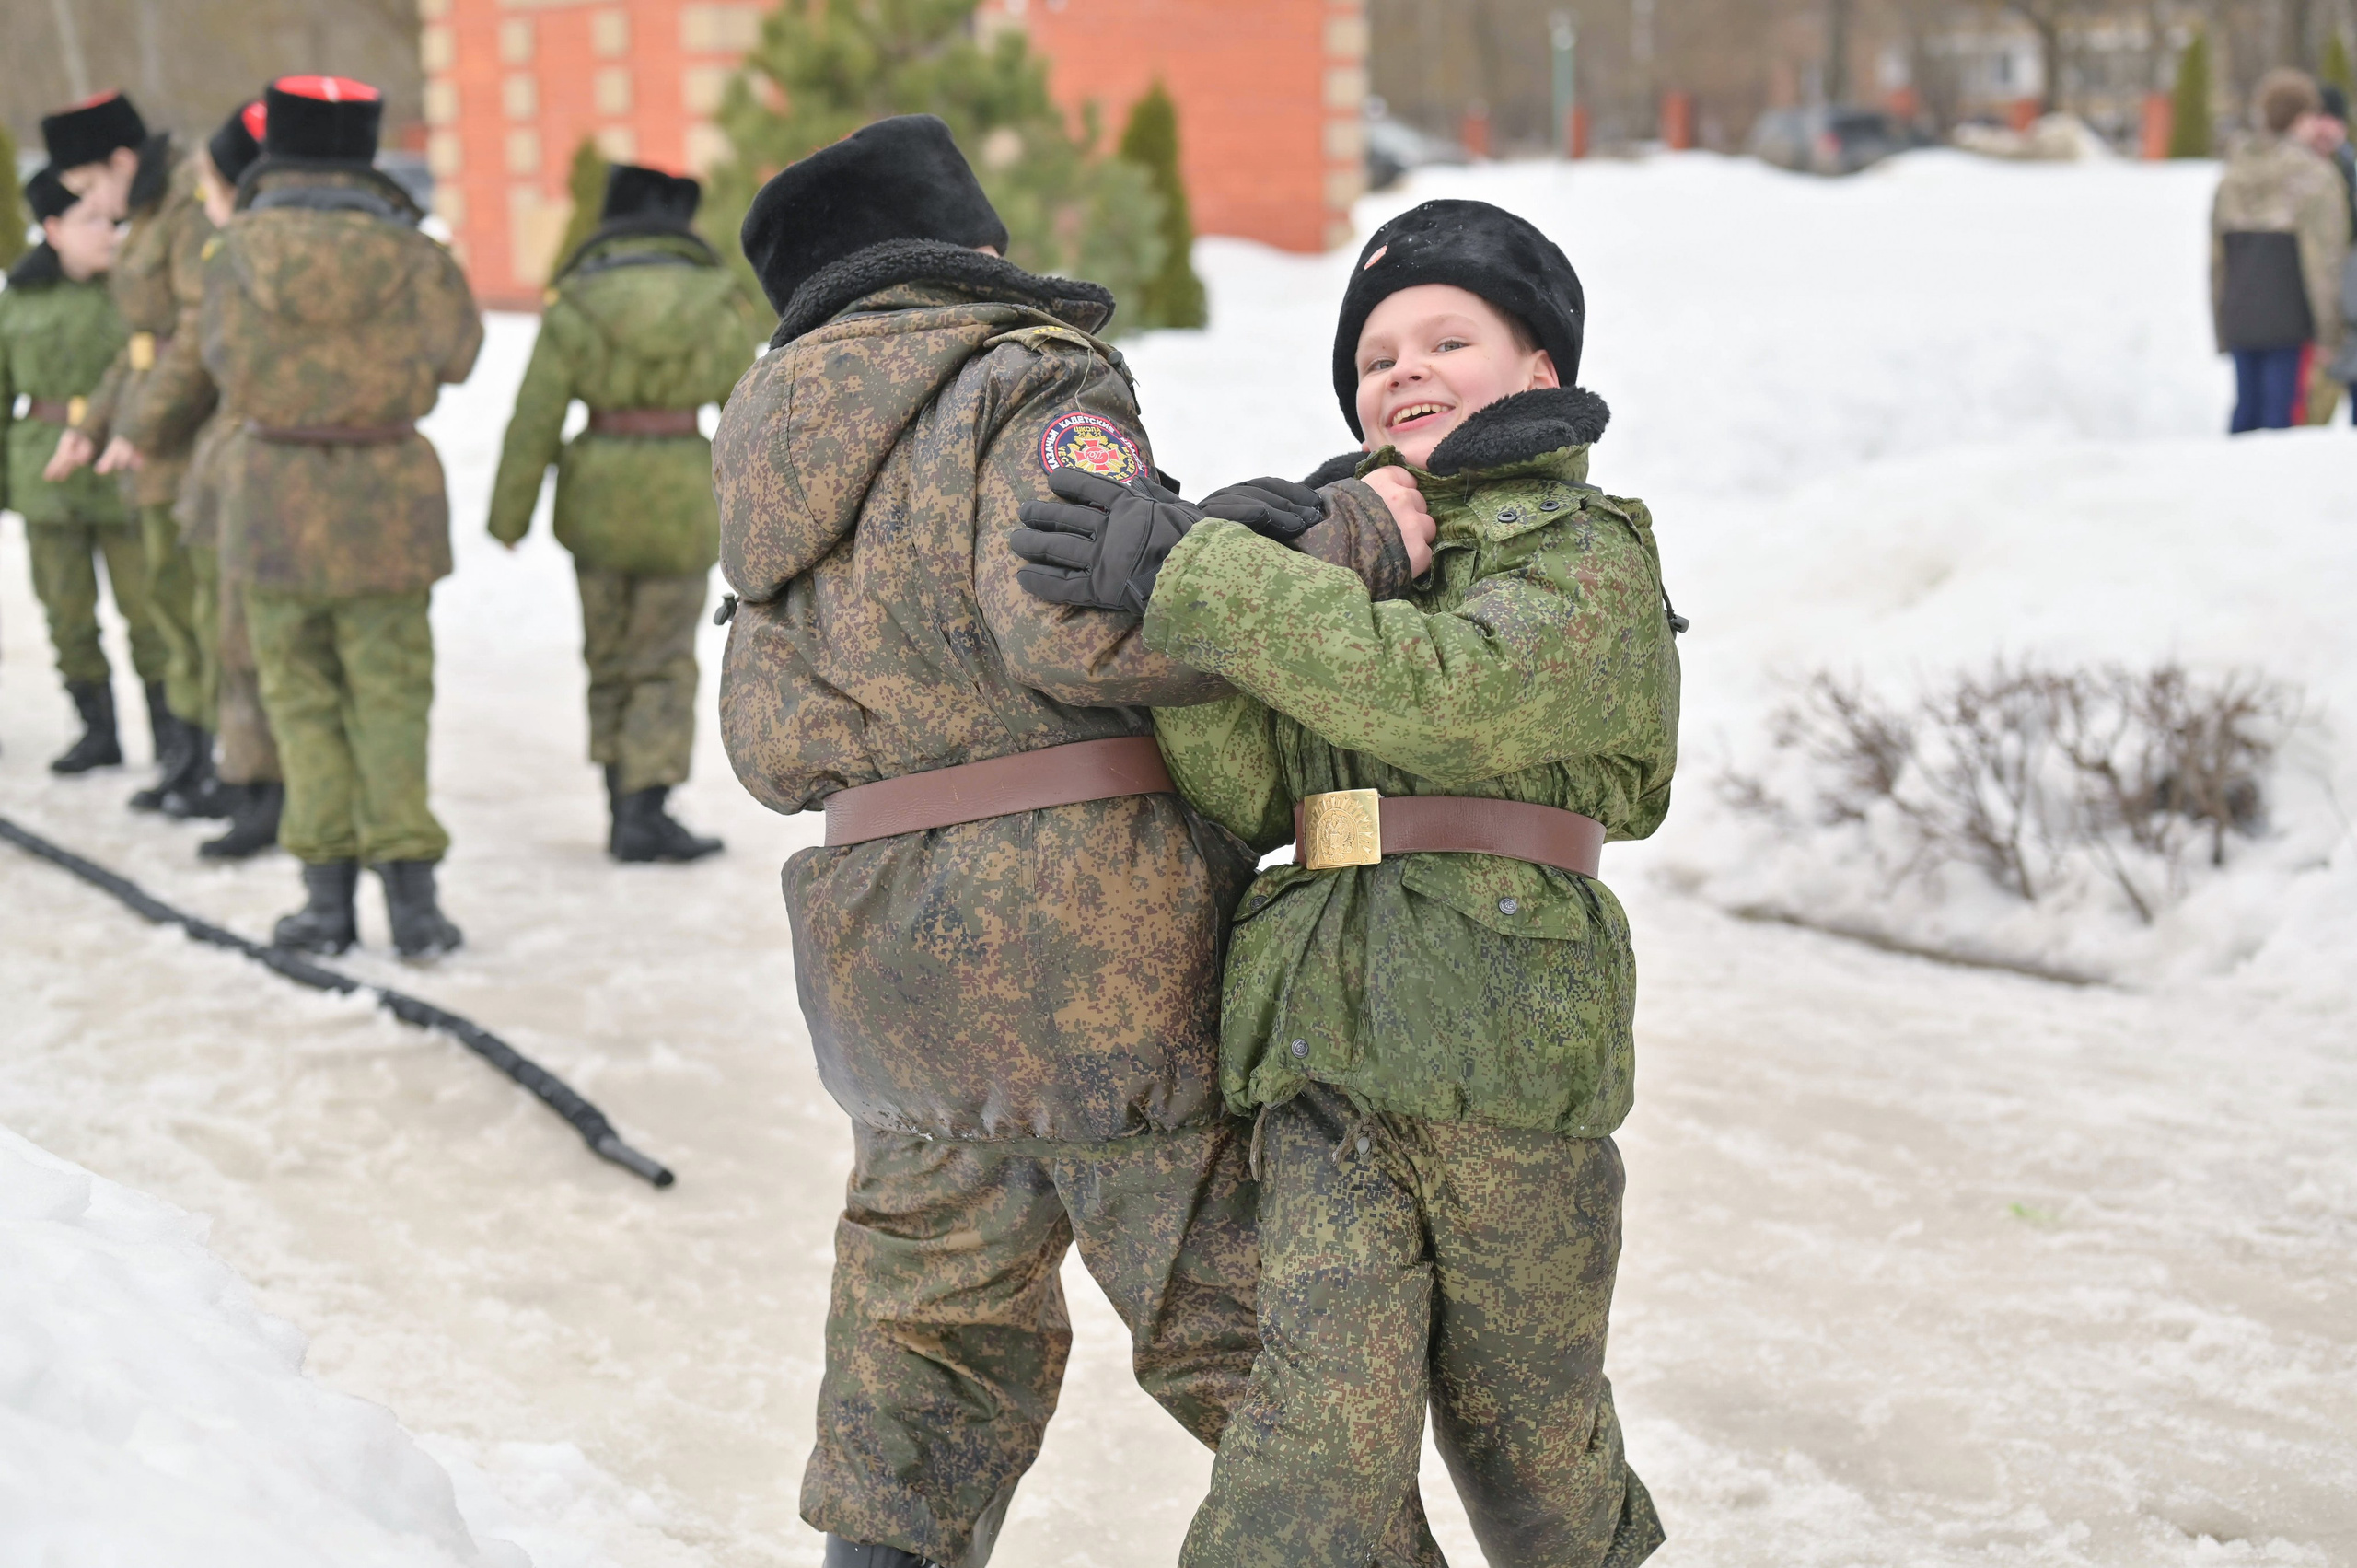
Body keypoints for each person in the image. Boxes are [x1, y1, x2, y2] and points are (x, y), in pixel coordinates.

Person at [713, 115, 1442, 1568]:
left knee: (922, 1355)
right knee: (1253, 1346)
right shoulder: (1027, 373)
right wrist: (1347, 536)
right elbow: (1081, 614)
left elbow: (760, 737)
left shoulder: (767, 454)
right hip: (1087, 955)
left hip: (885, 970)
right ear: (973, 253)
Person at [1012, 198, 1679, 1568]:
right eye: (1377, 357)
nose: (1406, 371)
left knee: (1532, 1447)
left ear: (1539, 370)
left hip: (1506, 1051)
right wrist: (1191, 614)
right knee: (1312, 1434)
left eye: (1449, 338)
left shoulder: (1588, 554)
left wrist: (1205, 577)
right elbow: (1252, 790)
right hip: (1322, 1057)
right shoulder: (1345, 562)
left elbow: (1449, 696)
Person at [201, 76, 482, 956]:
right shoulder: (416, 254)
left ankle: (324, 903)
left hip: (273, 500)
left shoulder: (234, 253)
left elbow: (215, 356)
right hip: (386, 503)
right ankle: (414, 904)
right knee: (392, 697)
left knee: (299, 700)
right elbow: (463, 354)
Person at [486, 163, 761, 862]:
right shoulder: (713, 299)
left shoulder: (578, 299)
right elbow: (747, 414)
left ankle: (618, 796)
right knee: (664, 658)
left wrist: (509, 515)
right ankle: (649, 804)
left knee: (606, 651)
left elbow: (535, 415)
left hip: (598, 494)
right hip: (677, 495)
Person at [41, 88, 226, 817]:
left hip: (187, 439)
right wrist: (93, 426)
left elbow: (196, 333)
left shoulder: (183, 209)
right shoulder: (146, 214)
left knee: (196, 607)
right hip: (152, 441)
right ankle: (186, 757)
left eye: (91, 185)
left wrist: (139, 429)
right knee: (167, 608)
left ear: (122, 160)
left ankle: (220, 764)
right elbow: (136, 346)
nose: (97, 204)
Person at [2, 168, 163, 773]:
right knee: (67, 612)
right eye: (91, 221)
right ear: (52, 229)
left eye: (113, 220)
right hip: (45, 473)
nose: (109, 234)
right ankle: (96, 730)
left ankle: (175, 740)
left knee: (149, 613)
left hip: (124, 466)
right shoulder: (18, 299)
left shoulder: (133, 291)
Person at [171, 100, 286, 859]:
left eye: (212, 182)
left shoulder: (242, 254)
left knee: (246, 642)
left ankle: (259, 795)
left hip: (252, 466)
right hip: (251, 463)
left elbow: (195, 356)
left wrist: (131, 428)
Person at [2212, 69, 2350, 433]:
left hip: (2241, 315)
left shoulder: (2233, 173)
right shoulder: (2314, 177)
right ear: (2302, 119)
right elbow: (2324, 262)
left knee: (2246, 415)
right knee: (2284, 425)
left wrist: (2221, 323)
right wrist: (2329, 334)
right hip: (2291, 321)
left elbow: (2217, 260)